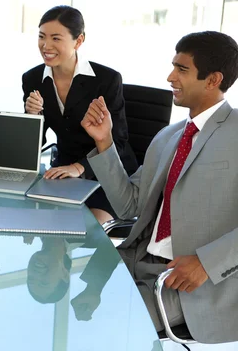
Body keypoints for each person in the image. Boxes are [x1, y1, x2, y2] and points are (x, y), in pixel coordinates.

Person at [81, 31, 238, 344]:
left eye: (182, 70)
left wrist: (208, 263)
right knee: (72, 307)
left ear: (212, 79)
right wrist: (105, 142)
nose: (170, 77)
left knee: (107, 330)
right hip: (136, 263)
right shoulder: (167, 137)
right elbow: (130, 207)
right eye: (173, 67)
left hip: (190, 285)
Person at [22, 5, 137, 224]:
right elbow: (33, 143)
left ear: (79, 41)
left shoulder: (106, 79)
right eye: (41, 37)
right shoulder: (33, 78)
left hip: (109, 174)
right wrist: (32, 116)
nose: (46, 46)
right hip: (63, 171)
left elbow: (119, 141)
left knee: (89, 228)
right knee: (46, 225)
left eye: (56, 38)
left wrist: (79, 167)